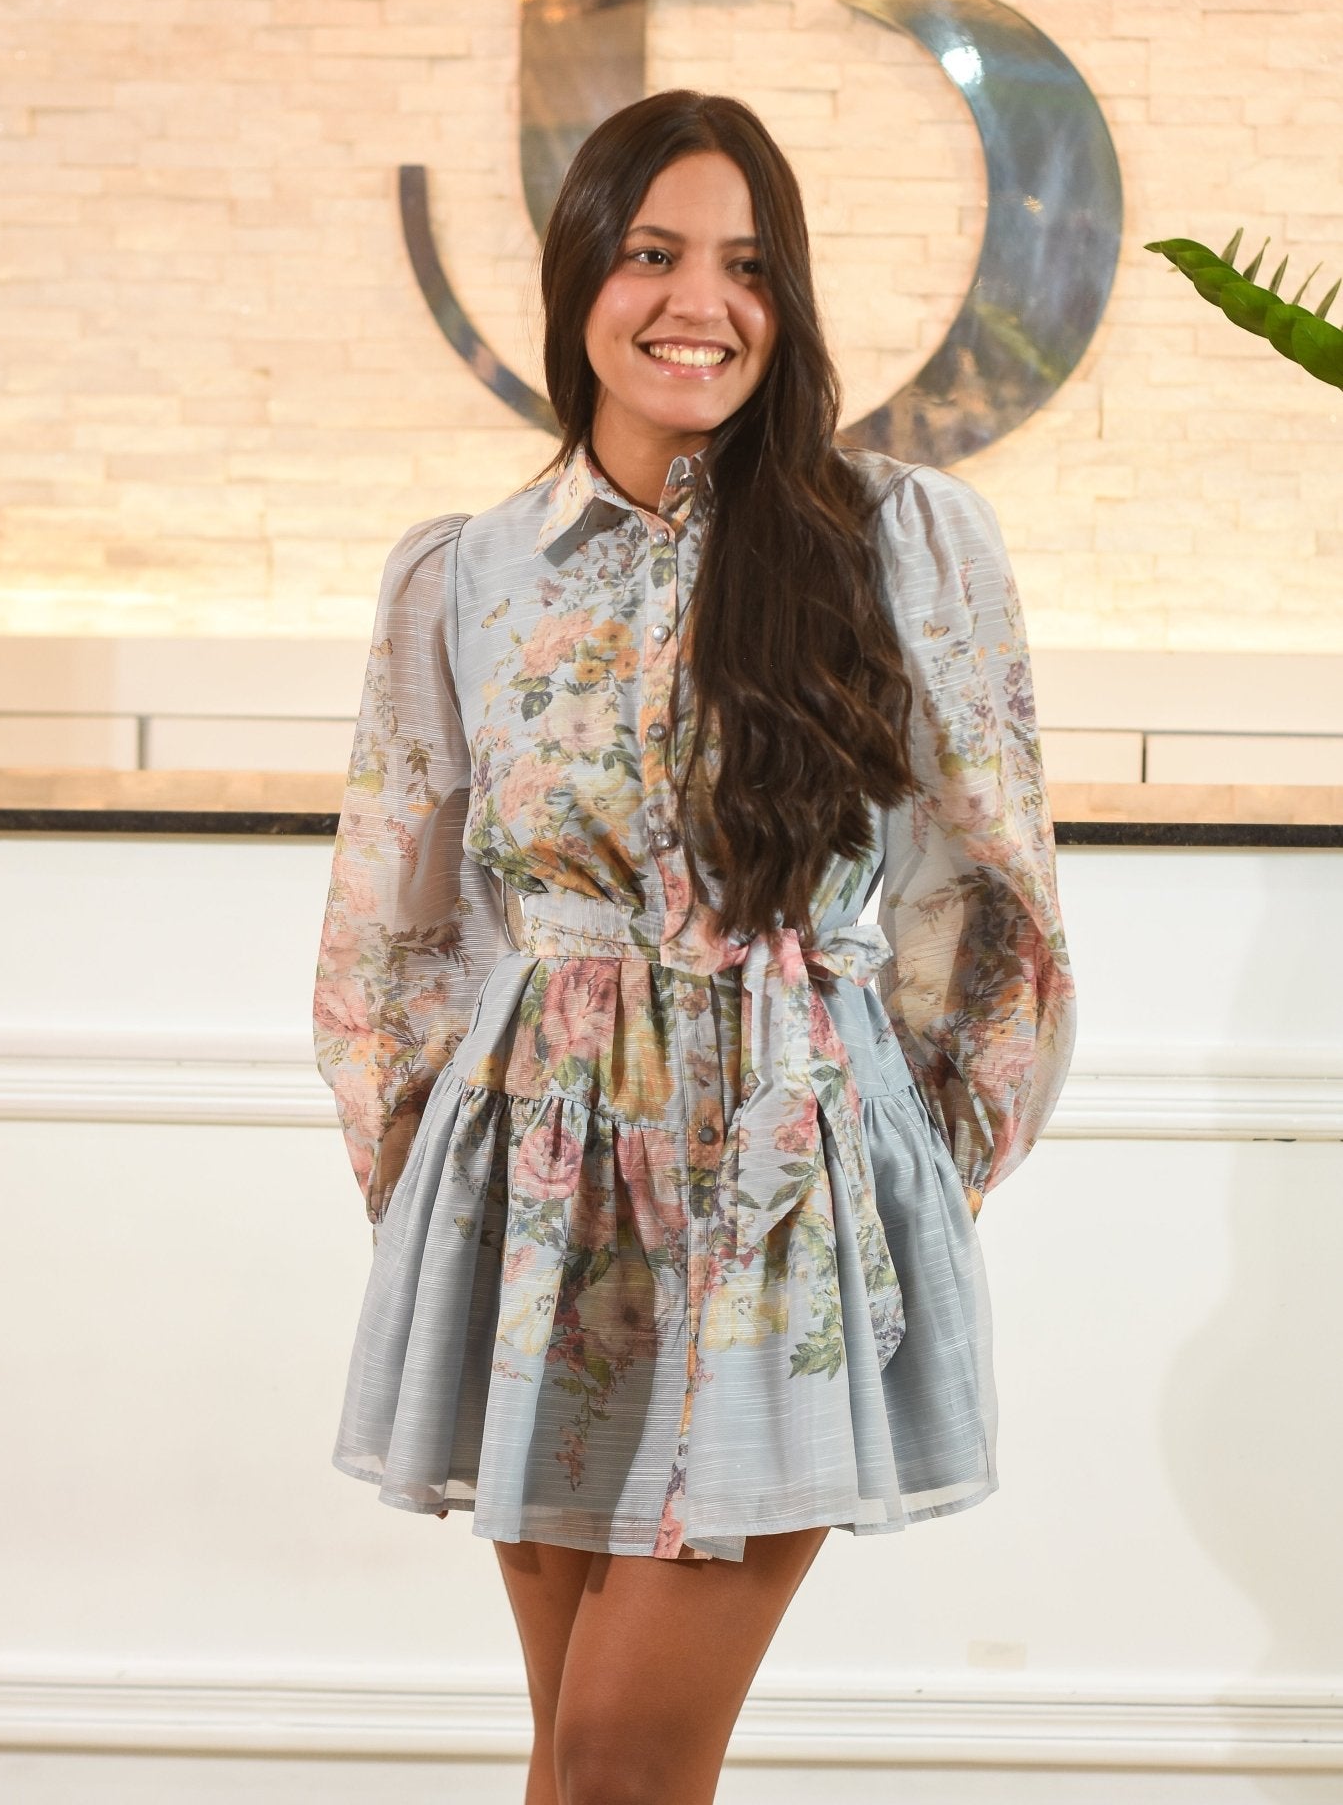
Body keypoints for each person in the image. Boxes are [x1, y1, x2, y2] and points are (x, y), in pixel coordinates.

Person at [313, 88, 1076, 1805]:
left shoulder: (895, 539)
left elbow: (990, 893)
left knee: (619, 1753)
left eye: (746, 265)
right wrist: (437, 1180)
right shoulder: (465, 576)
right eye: (652, 254)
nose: (699, 303)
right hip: (538, 1202)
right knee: (570, 1757)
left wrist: (903, 1169)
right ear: (580, 275)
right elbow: (395, 927)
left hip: (782, 1191)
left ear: (786, 299)